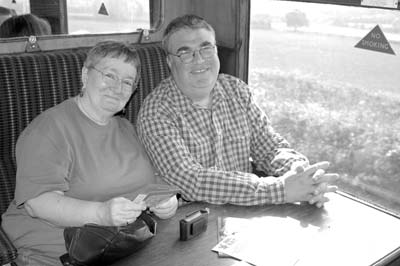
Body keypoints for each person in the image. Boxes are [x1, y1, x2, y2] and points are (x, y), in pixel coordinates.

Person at [1, 40, 178, 266]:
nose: (118, 88)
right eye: (109, 75)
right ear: (85, 76)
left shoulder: (125, 128)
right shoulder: (50, 128)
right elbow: (38, 203)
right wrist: (101, 213)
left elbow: (148, 182)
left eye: (127, 82)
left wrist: (166, 201)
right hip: (59, 256)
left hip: (121, 247)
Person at [137, 14, 338, 207]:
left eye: (206, 48)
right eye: (185, 52)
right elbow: (190, 180)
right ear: (170, 62)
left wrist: (302, 173)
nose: (198, 59)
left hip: (248, 209)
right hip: (189, 221)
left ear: (216, 52)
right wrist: (280, 189)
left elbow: (269, 147)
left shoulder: (237, 90)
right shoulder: (155, 112)